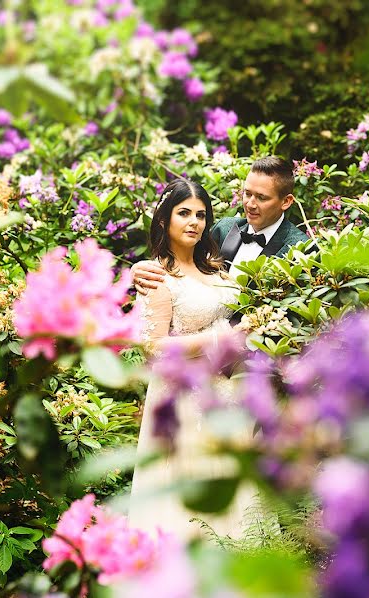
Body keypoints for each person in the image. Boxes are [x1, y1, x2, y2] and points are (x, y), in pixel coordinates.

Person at [128, 178, 258, 541]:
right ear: (164, 219)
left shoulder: (216, 266)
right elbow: (153, 345)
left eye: (201, 215)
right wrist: (221, 338)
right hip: (185, 394)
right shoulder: (157, 275)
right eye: (183, 213)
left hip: (228, 391)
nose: (194, 222)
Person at [132, 156, 311, 292]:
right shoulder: (224, 228)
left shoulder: (301, 249)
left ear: (286, 201)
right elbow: (182, 261)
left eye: (261, 197)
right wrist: (137, 270)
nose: (250, 204)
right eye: (247, 194)